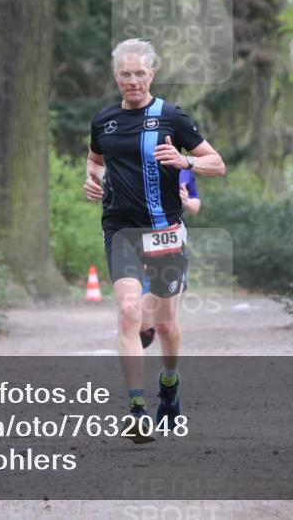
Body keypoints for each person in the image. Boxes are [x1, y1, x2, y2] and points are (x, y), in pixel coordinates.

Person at [84, 39, 225, 441]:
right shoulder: (104, 121)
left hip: (165, 232)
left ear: (152, 74)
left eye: (140, 73)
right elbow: (95, 162)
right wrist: (91, 181)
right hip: (121, 229)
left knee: (164, 326)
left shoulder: (171, 117)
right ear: (116, 76)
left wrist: (186, 161)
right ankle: (136, 408)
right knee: (129, 310)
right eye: (125, 74)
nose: (133, 81)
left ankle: (169, 383)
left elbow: (217, 164)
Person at [139, 168, 199, 349]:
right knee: (142, 326)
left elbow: (195, 205)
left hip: (172, 246)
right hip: (140, 241)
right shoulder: (136, 164)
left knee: (167, 324)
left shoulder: (183, 170)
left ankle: (169, 373)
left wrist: (186, 202)